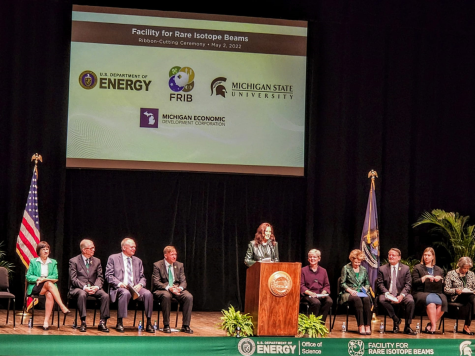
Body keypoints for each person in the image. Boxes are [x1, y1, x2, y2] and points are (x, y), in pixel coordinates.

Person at [105, 237, 154, 333]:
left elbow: (143, 277)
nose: (134, 249)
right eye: (131, 247)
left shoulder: (138, 261)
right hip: (120, 287)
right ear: (124, 248)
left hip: (135, 287)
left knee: (148, 294)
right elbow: (108, 275)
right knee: (125, 293)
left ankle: (148, 322)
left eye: (135, 247)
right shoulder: (113, 258)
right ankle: (120, 322)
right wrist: (119, 283)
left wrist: (140, 284)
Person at [26, 241, 70, 330]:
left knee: (49, 294)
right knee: (49, 283)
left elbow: (55, 277)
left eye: (47, 249)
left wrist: (44, 279)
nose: (46, 251)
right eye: (43, 249)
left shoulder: (53, 262)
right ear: (39, 251)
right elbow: (28, 276)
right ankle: (62, 306)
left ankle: (46, 321)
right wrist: (38, 279)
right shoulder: (34, 262)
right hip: (36, 287)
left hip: (48, 286)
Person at [69, 238, 110, 332]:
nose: (93, 250)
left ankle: (102, 322)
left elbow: (100, 277)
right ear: (84, 250)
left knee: (105, 296)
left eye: (94, 248)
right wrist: (85, 287)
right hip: (78, 288)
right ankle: (83, 321)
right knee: (82, 294)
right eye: (91, 248)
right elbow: (73, 279)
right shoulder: (74, 261)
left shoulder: (97, 261)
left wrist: (96, 287)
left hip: (93, 287)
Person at [152, 246, 193, 334]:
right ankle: (166, 325)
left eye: (175, 254)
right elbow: (156, 282)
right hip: (163, 289)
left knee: (188, 297)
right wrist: (169, 288)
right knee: (166, 296)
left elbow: (183, 281)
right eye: (172, 254)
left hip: (176, 289)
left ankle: (185, 325)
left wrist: (179, 288)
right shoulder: (157, 265)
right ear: (165, 255)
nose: (174, 256)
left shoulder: (179, 265)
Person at [376, 248, 416, 335]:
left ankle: (407, 326)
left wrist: (402, 295)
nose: (391, 257)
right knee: (381, 299)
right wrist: (387, 293)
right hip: (388, 293)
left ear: (399, 257)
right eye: (389, 255)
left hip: (401, 293)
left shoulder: (405, 269)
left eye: (393, 255)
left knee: (410, 301)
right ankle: (395, 319)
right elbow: (380, 284)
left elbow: (408, 284)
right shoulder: (382, 269)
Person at [411, 247, 447, 334]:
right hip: (421, 292)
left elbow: (443, 285)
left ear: (433, 257)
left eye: (428, 255)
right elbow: (414, 282)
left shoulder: (439, 270)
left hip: (436, 292)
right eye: (425, 255)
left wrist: (440, 279)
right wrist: (425, 277)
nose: (426, 257)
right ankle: (433, 327)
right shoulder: (417, 268)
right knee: (431, 303)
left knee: (443, 303)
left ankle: (430, 324)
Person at [340, 249, 372, 335]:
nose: (357, 264)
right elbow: (342, 283)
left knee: (366, 299)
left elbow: (367, 283)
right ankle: (361, 325)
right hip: (348, 293)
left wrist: (365, 289)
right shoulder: (346, 268)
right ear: (352, 260)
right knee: (357, 299)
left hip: (361, 292)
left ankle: (367, 325)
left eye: (359, 262)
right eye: (356, 262)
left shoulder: (364, 269)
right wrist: (350, 290)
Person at [444, 256, 475, 335]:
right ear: (459, 266)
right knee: (472, 299)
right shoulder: (451, 274)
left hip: (469, 297)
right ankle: (467, 326)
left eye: (468, 268)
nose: (466, 270)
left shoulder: (471, 274)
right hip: (457, 297)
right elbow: (446, 289)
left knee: (470, 300)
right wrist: (455, 291)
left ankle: (466, 327)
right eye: (464, 268)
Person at [300, 249, 333, 322]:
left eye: (314, 257)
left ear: (319, 259)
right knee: (316, 302)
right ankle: (313, 323)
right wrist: (310, 293)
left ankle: (320, 323)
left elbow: (327, 285)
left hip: (320, 294)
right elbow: (301, 285)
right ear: (308, 259)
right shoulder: (303, 270)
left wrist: (324, 292)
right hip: (308, 295)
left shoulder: (323, 271)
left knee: (329, 301)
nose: (312, 259)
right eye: (310, 257)